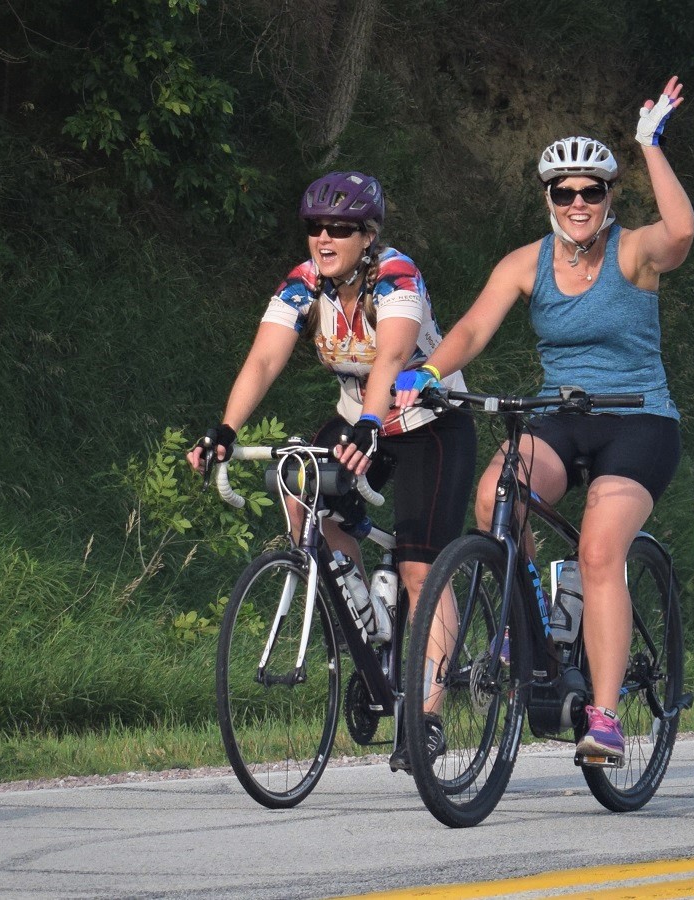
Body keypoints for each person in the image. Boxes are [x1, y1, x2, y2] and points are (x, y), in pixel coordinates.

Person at [395, 77, 694, 763]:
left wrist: (650, 144)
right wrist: (429, 372)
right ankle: (526, 625)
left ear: (609, 198)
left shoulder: (634, 252)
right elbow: (472, 327)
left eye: (592, 191)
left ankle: (607, 717)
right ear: (549, 200)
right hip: (561, 415)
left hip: (638, 419)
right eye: (566, 192)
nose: (580, 203)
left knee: (597, 551)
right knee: (494, 496)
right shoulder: (525, 263)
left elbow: (681, 231)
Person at [188, 171, 477, 770]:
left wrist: (374, 426)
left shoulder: (396, 275)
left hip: (426, 422)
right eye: (316, 227)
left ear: (367, 236)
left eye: (339, 228)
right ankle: (360, 616)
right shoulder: (304, 284)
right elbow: (265, 356)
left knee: (422, 565)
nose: (324, 237)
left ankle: (425, 717)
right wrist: (226, 429)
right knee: (301, 484)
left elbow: (393, 356)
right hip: (360, 413)